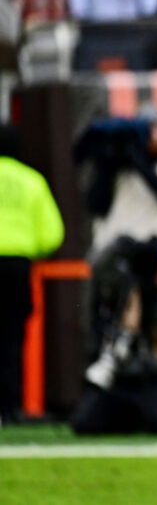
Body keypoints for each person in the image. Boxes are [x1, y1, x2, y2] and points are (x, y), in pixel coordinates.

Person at [70, 236, 157, 434]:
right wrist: (117, 248)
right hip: (127, 372)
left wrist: (156, 296)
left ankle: (143, 413)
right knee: (85, 423)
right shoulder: (129, 284)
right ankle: (130, 416)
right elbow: (97, 269)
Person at [0, 125, 64, 426]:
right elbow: (53, 234)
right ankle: (9, 409)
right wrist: (30, 248)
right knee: (12, 339)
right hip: (16, 266)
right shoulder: (31, 181)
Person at [75, 105, 157, 262]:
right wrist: (107, 164)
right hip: (119, 255)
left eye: (156, 128)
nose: (151, 136)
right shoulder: (118, 167)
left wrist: (140, 163)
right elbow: (96, 207)